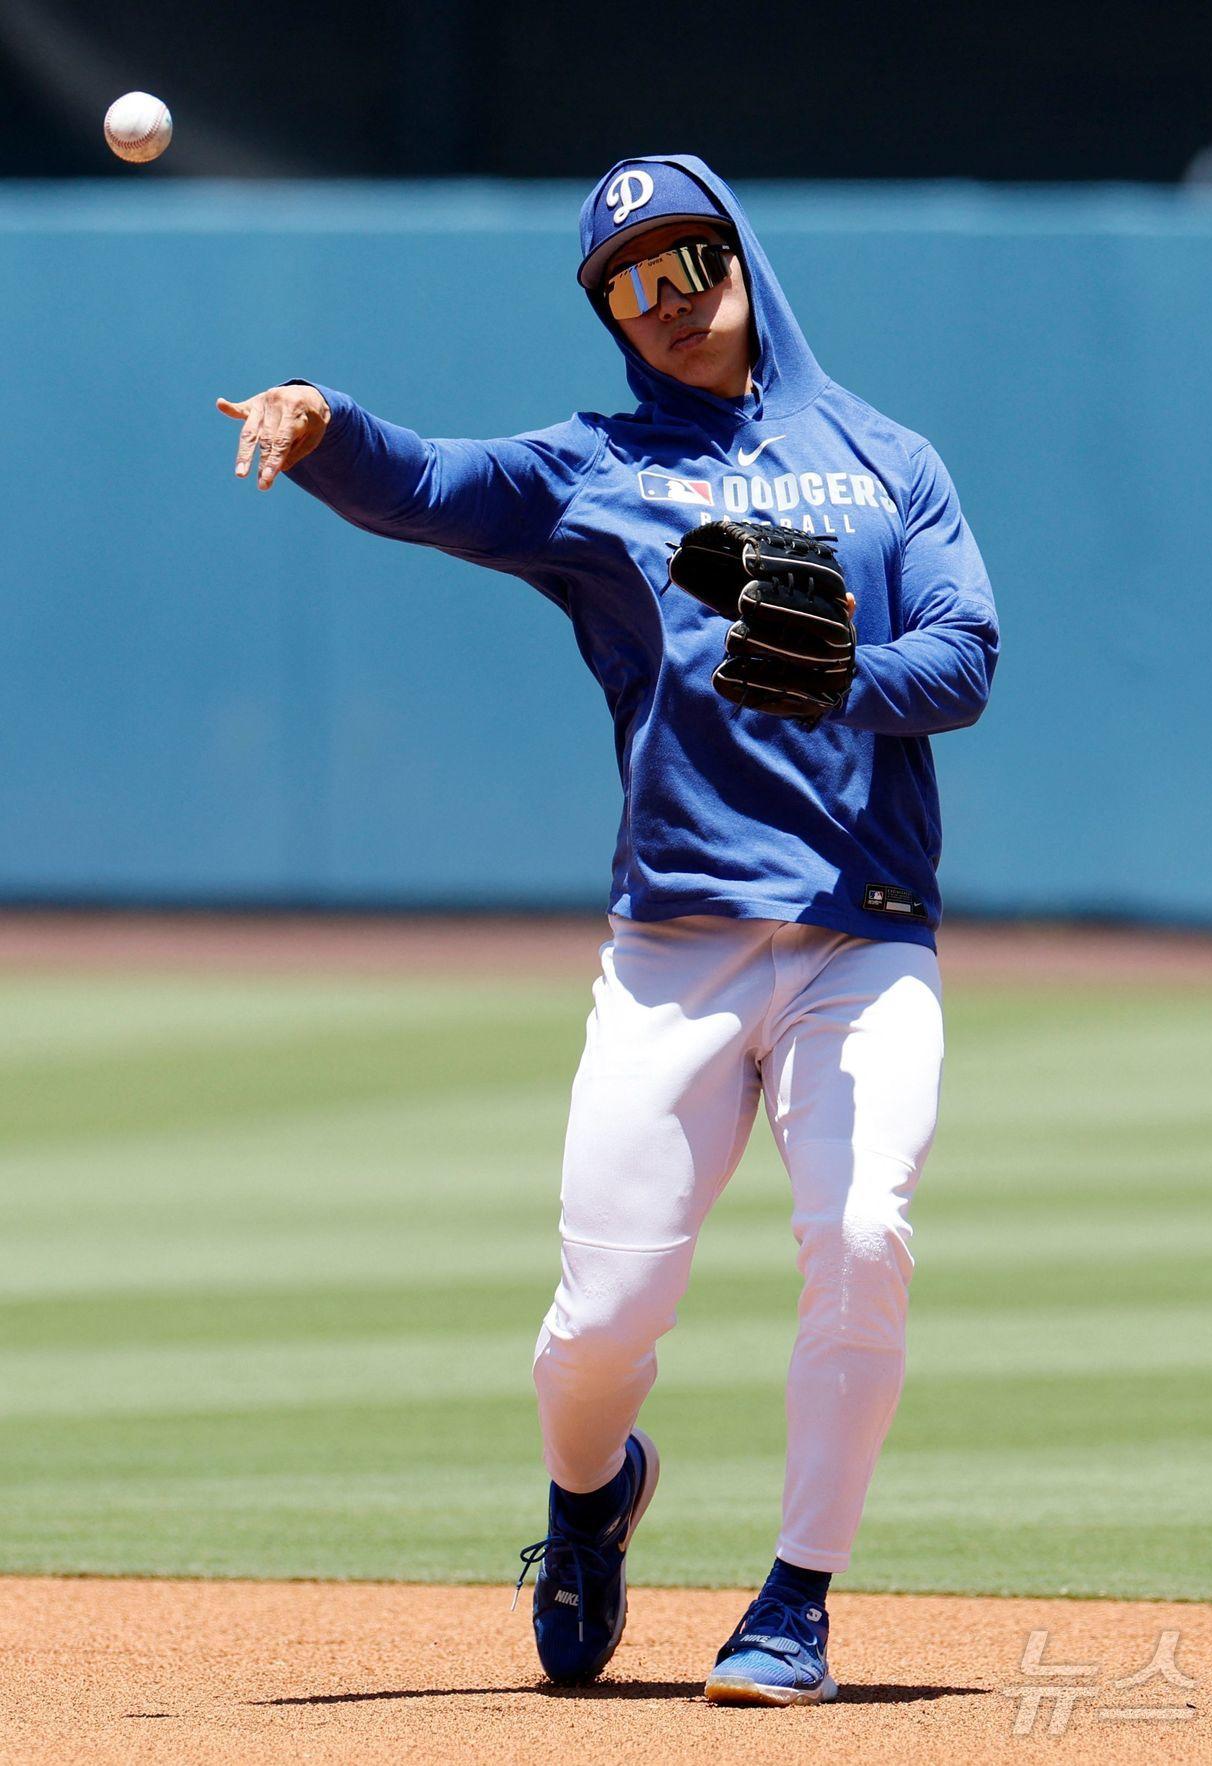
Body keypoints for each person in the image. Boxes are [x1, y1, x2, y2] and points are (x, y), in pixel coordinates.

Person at [217, 154, 998, 1707]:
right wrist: (322, 423)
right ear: (610, 317)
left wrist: (838, 674)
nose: (671, 300)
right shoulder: (598, 469)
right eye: (631, 284)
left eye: (690, 260)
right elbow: (432, 484)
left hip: (864, 932)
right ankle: (592, 1499)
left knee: (861, 1237)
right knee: (595, 1330)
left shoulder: (884, 456)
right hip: (676, 951)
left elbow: (965, 659)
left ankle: (795, 1605)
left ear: (741, 260)